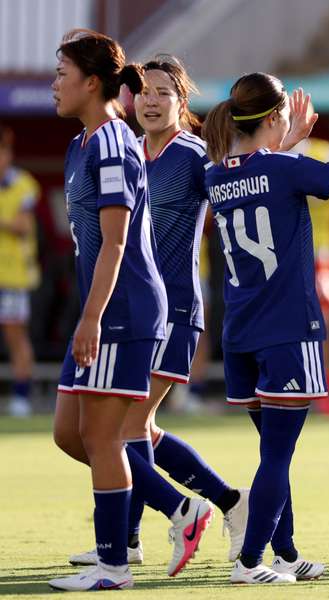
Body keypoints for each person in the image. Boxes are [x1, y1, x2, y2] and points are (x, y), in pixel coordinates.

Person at [65, 54, 251, 569]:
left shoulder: (194, 154)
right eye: (143, 90)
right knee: (134, 429)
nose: (149, 99)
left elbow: (241, 188)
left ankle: (139, 536)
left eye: (163, 91)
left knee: (126, 427)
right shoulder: (123, 149)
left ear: (181, 101)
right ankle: (225, 503)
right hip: (131, 310)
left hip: (173, 306)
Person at [202, 72, 329, 584]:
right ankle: (250, 561)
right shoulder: (286, 167)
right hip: (288, 328)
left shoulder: (216, 173)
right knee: (277, 456)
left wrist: (289, 139)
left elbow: (262, 172)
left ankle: (285, 554)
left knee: (271, 453)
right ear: (276, 118)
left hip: (241, 329)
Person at [48, 29, 212, 592]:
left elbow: (116, 243)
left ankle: (114, 565)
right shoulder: (82, 144)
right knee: (71, 434)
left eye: (62, 75)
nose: (54, 85)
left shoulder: (115, 142)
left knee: (102, 438)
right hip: (101, 308)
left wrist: (92, 318)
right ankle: (177, 507)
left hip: (127, 308)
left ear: (92, 83)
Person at [290, 135, 329, 415]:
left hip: (317, 253)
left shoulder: (325, 150)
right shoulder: (265, 152)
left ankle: (325, 391)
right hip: (277, 256)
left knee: (323, 325)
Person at [0, 125, 40, 417]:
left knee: (15, 336)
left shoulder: (22, 183)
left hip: (13, 276)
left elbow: (23, 226)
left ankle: (22, 397)